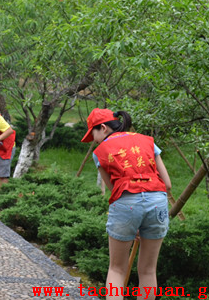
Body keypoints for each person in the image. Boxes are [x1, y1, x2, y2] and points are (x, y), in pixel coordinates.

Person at [81, 108, 172, 300]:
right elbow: (168, 184)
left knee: (116, 269)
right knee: (148, 270)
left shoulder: (100, 151)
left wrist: (134, 218)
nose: (94, 141)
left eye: (93, 135)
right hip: (157, 201)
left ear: (103, 128)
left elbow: (114, 189)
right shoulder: (148, 141)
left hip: (126, 203)